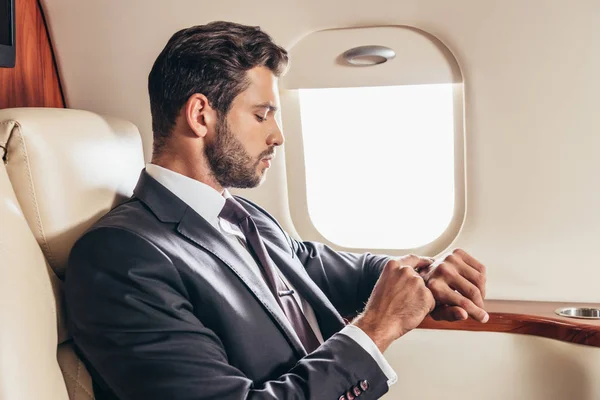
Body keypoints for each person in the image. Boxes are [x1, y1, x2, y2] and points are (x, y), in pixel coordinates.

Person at [65, 21, 488, 400]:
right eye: (262, 115)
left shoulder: (242, 216)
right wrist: (377, 328)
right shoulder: (122, 256)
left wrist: (424, 274)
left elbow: (326, 267)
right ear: (200, 115)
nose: (278, 136)